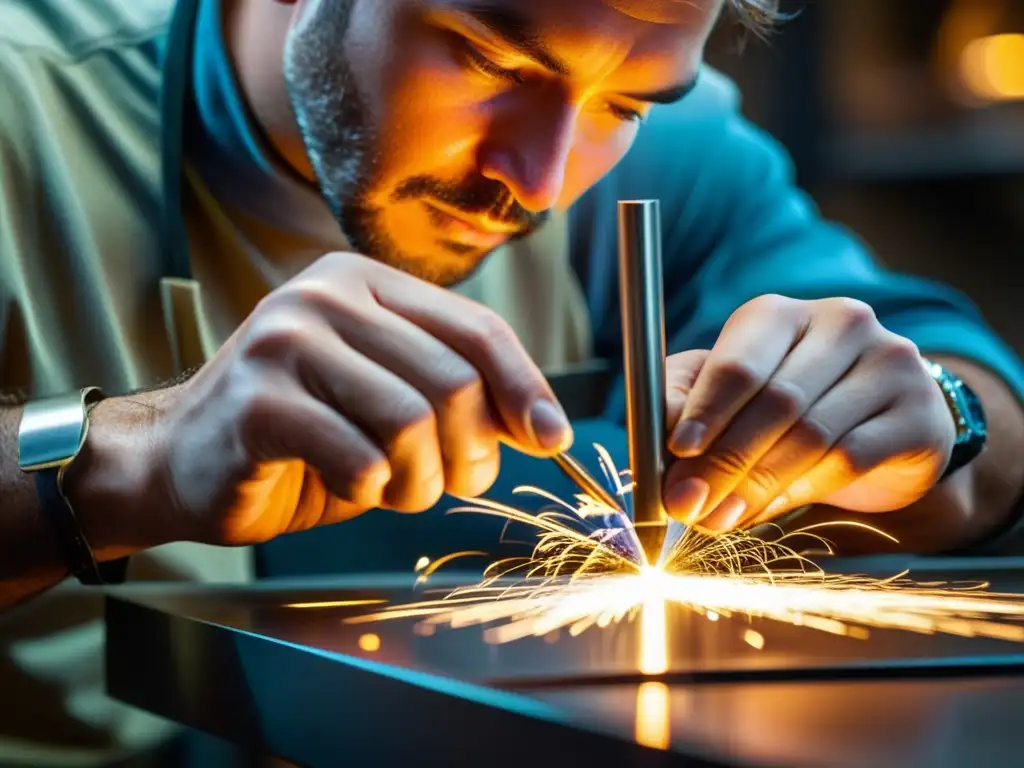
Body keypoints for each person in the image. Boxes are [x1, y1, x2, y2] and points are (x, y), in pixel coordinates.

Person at [1, 0, 1022, 762]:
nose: (539, 178)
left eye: (623, 101)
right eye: (490, 57)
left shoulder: (669, 146)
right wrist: (127, 463)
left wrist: (939, 423)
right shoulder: (23, 100)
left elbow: (978, 408)